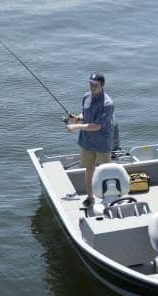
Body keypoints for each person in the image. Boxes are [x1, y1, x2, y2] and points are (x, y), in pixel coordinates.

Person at [65, 72, 115, 208]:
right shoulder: (86, 96)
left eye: (95, 85)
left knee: (106, 171)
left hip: (102, 142)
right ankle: (90, 197)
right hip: (86, 141)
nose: (92, 87)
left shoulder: (108, 104)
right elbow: (85, 113)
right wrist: (77, 118)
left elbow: (97, 126)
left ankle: (108, 198)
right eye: (90, 84)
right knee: (89, 169)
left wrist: (75, 126)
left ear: (102, 85)